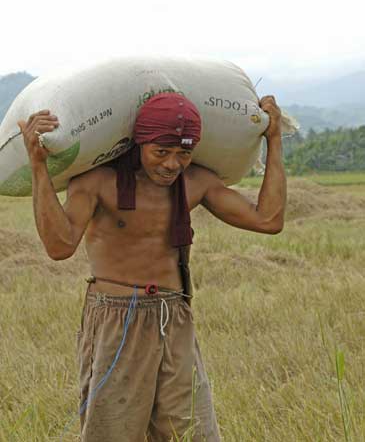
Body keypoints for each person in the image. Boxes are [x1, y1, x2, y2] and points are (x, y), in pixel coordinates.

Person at [18, 92, 286, 442]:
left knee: (191, 432)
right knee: (112, 432)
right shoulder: (99, 182)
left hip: (174, 316)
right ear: (140, 143)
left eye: (183, 153)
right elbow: (59, 246)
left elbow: (268, 220)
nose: (172, 164)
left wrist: (274, 139)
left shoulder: (196, 183)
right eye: (161, 152)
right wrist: (38, 165)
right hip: (117, 319)